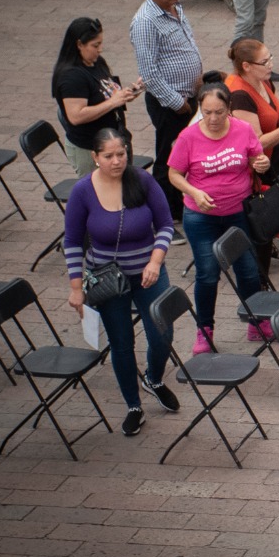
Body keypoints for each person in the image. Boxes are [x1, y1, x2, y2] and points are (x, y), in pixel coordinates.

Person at [63, 127, 178, 437]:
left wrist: (156, 260)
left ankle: (153, 378)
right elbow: (72, 242)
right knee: (122, 343)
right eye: (109, 156)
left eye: (122, 154)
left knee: (162, 333)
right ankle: (133, 406)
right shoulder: (83, 191)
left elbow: (166, 225)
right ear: (95, 157)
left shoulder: (142, 179)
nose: (117, 161)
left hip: (148, 272)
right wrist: (76, 287)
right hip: (107, 279)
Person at [167, 82, 272, 355]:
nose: (213, 119)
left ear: (229, 110)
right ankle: (205, 330)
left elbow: (256, 157)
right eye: (207, 112)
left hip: (237, 213)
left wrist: (261, 163)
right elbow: (174, 175)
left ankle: (255, 320)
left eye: (219, 112)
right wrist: (194, 191)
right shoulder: (188, 137)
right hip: (201, 217)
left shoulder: (243, 129)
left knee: (249, 270)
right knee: (208, 274)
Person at [130, 0, 204, 223]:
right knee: (168, 160)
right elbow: (149, 74)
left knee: (187, 154)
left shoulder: (175, 8)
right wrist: (178, 104)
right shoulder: (145, 22)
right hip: (170, 104)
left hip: (189, 97)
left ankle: (181, 205)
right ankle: (167, 218)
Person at [224, 39, 279, 256]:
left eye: (270, 57)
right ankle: (268, 234)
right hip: (256, 160)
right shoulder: (239, 94)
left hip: (276, 150)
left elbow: (278, 108)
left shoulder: (262, 79)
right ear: (246, 66)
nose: (271, 64)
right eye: (265, 61)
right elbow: (256, 142)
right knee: (270, 196)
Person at [52, 17, 142, 177]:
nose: (100, 49)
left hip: (113, 139)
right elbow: (76, 116)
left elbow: (105, 92)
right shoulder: (72, 77)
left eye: (101, 43)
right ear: (79, 44)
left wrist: (126, 94)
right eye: (95, 45)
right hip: (90, 148)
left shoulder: (96, 62)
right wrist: (113, 102)